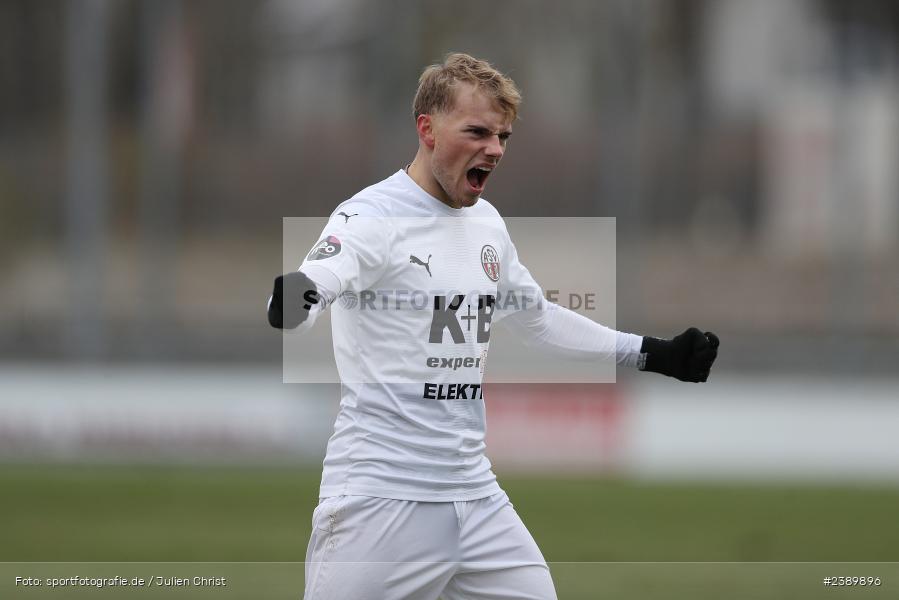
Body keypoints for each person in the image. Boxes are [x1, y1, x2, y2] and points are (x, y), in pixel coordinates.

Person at [268, 53, 719, 600]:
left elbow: (536, 319)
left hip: (475, 497)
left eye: (503, 136)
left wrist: (651, 353)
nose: (495, 149)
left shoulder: (485, 222)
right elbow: (319, 280)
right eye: (478, 131)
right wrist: (296, 299)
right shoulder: (372, 216)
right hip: (381, 502)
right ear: (427, 130)